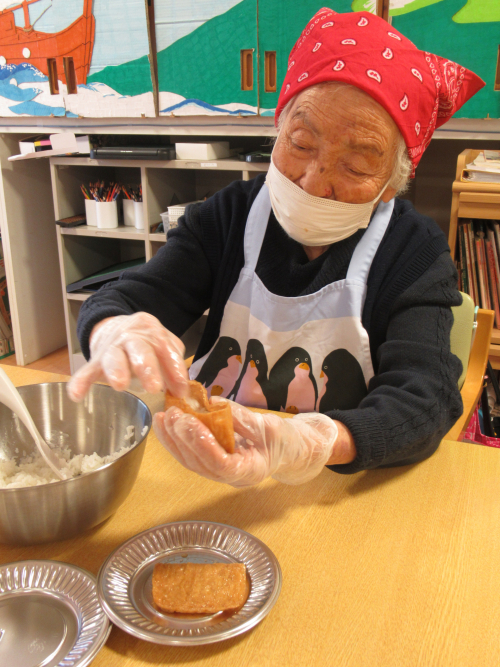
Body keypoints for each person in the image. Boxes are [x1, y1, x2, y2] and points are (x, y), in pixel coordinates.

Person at [68, 9, 484, 487]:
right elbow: (126, 299)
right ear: (278, 130)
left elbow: (426, 398)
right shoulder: (227, 217)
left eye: (355, 166)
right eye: (301, 144)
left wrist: (315, 443)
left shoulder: (413, 250)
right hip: (204, 466)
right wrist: (113, 328)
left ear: (392, 184)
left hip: (329, 487)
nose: (313, 182)